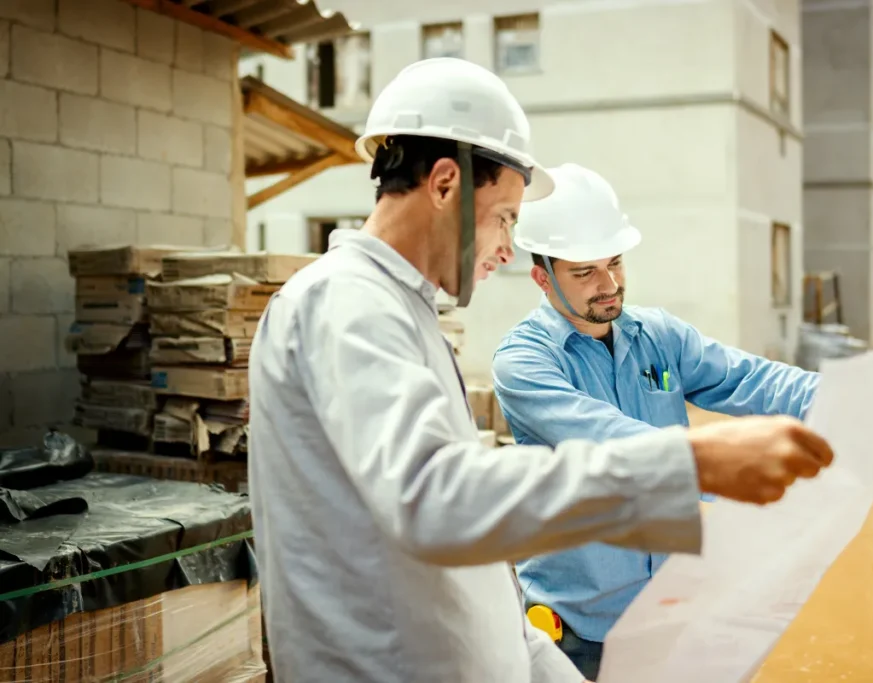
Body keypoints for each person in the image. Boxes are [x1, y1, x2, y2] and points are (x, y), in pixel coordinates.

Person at [248, 60, 834, 683]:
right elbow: (437, 499)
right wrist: (693, 462)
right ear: (445, 184)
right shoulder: (344, 304)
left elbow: (478, 570)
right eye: (504, 218)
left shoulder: (407, 315)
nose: (505, 248)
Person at [490, 163, 823, 680]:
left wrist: (846, 397)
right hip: (579, 629)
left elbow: (753, 380)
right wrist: (724, 463)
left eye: (616, 263)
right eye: (585, 272)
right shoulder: (525, 364)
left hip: (670, 613)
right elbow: (610, 441)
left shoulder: (658, 336)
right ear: (542, 277)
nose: (609, 285)